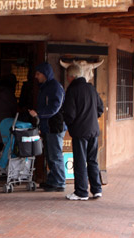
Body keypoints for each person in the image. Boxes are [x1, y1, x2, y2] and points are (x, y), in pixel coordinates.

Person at [61, 63, 104, 200]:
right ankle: (97, 189)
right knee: (93, 160)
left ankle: (81, 192)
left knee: (80, 161)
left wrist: (71, 124)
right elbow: (100, 108)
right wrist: (91, 118)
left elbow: (70, 114)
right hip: (93, 130)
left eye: (68, 76)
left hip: (80, 131)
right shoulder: (91, 88)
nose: (67, 79)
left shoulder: (72, 91)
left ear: (71, 76)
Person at [29, 62, 66, 192]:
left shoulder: (54, 87)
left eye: (38, 74)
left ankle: (60, 182)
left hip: (55, 126)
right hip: (48, 127)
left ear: (45, 74)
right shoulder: (45, 87)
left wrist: (38, 113)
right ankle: (53, 181)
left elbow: (54, 108)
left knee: (55, 155)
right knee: (50, 156)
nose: (36, 76)